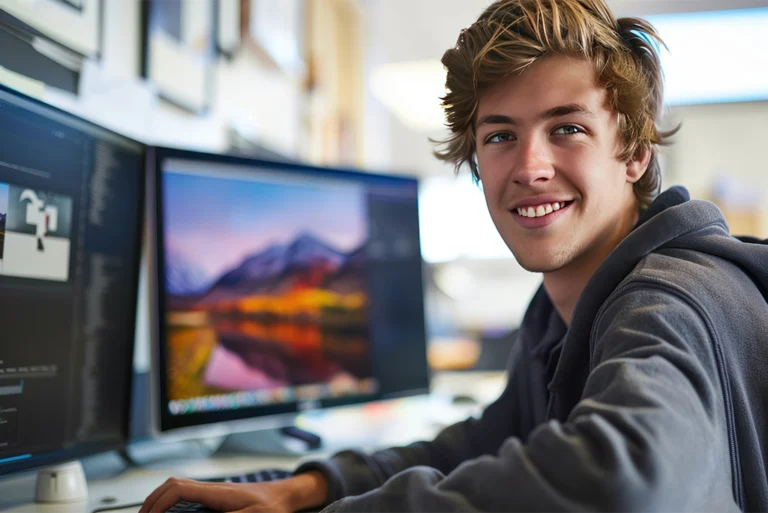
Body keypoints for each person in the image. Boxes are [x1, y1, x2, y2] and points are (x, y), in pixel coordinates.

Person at [140, 0, 768, 511]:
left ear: (634, 154)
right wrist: (309, 487)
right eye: (500, 136)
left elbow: (626, 482)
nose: (529, 167)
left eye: (567, 128)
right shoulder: (561, 309)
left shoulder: (665, 299)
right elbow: (482, 444)